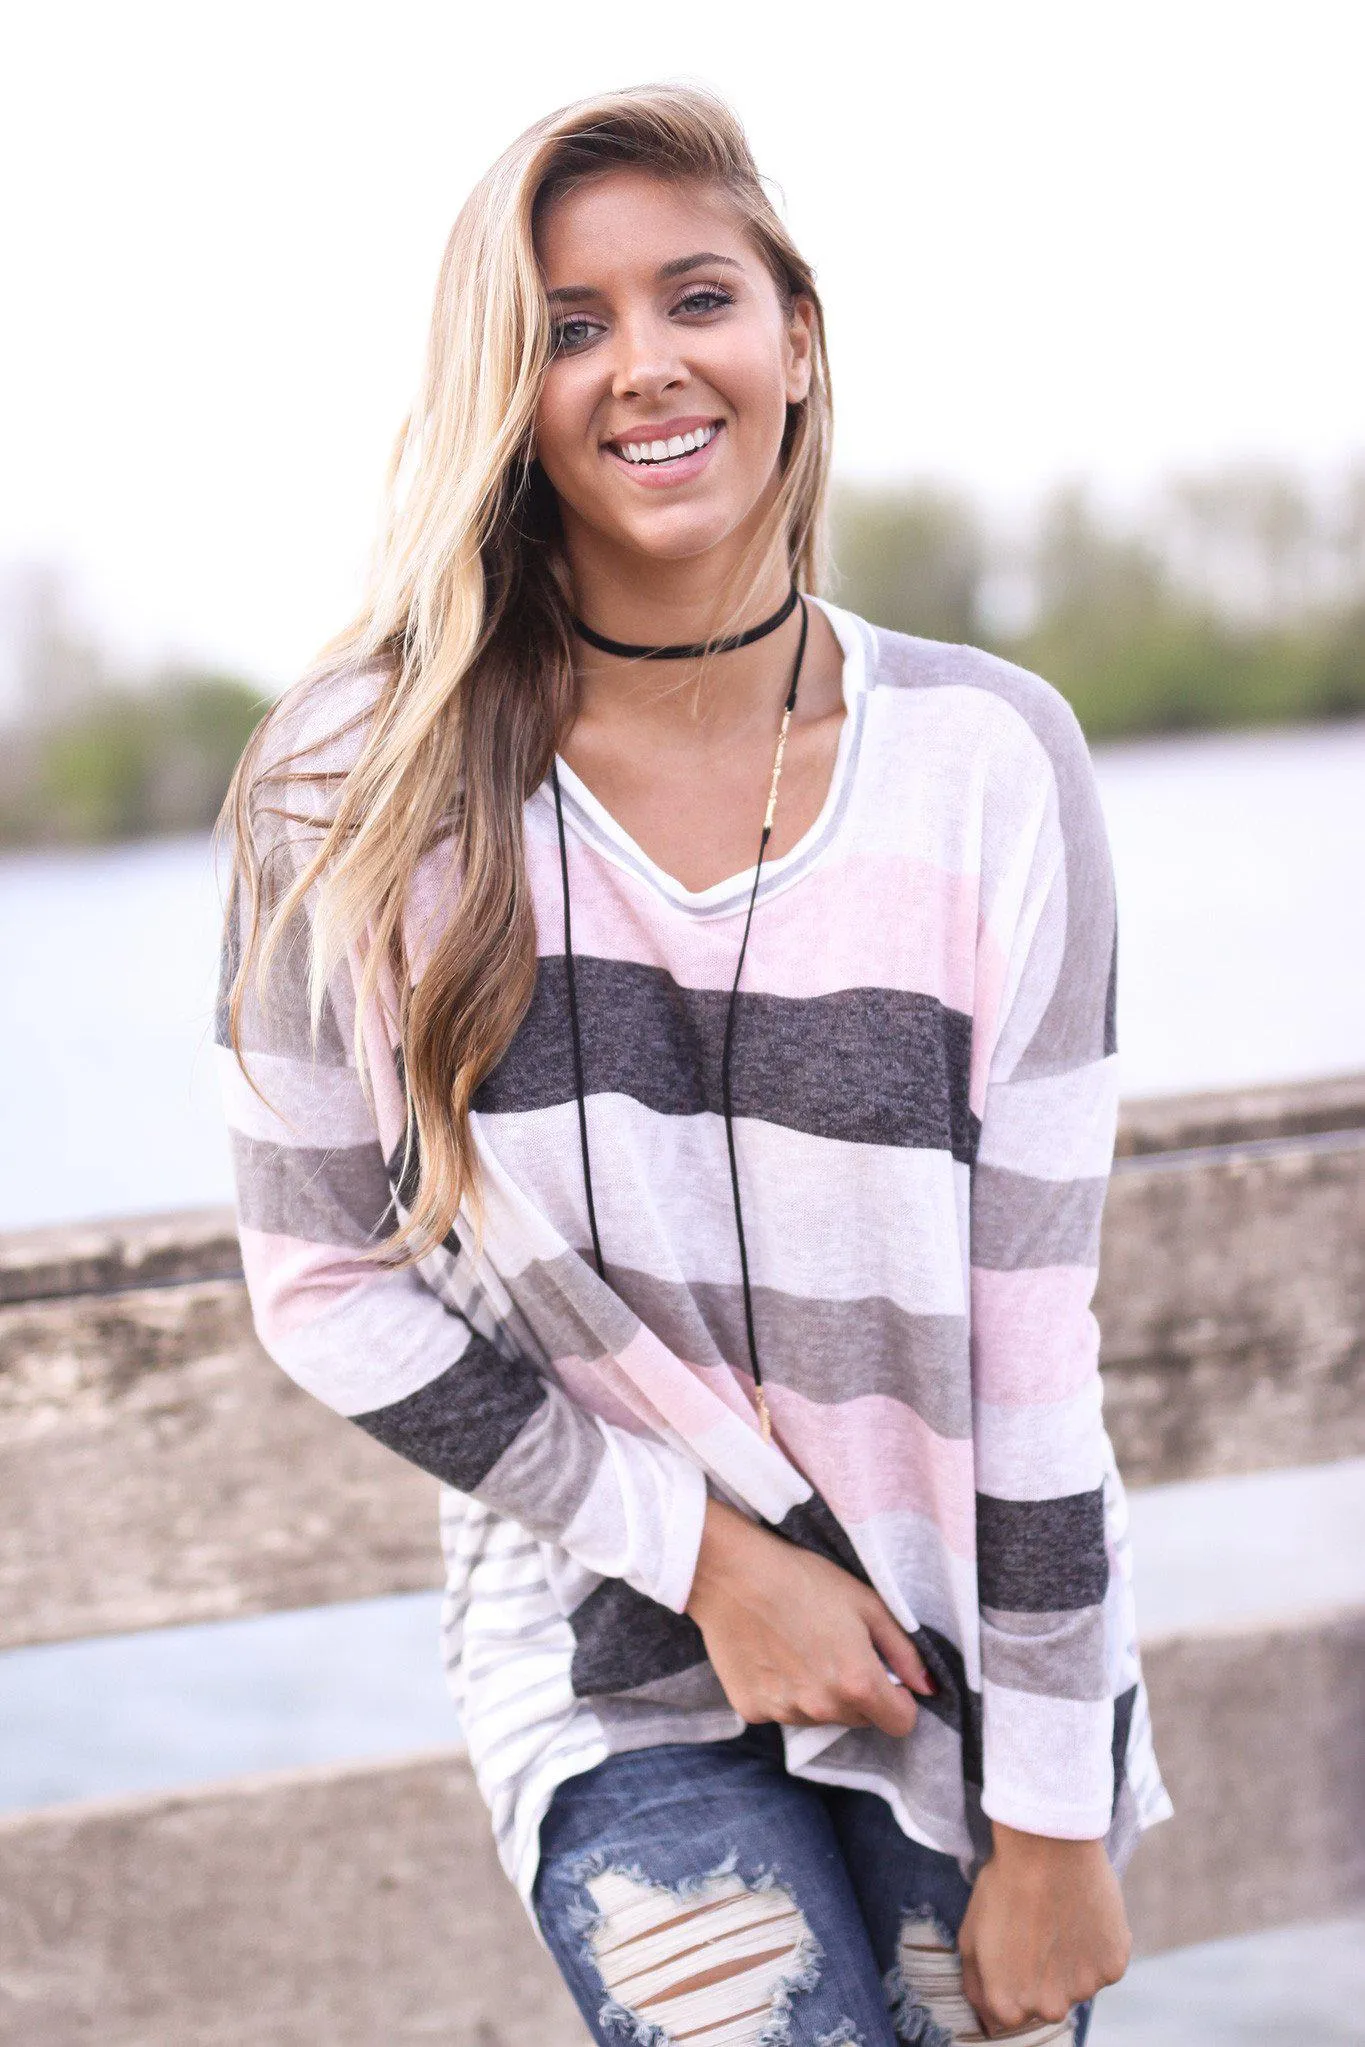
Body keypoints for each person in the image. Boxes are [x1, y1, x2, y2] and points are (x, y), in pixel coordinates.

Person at [216, 82, 1171, 2047]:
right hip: (613, 1663)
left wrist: (1058, 1812)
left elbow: (1028, 1346)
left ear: (794, 340)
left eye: (697, 296)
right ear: (507, 385)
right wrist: (706, 1556)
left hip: (964, 1682)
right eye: (568, 324)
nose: (641, 365)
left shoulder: (992, 765)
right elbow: (319, 1281)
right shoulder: (358, 787)